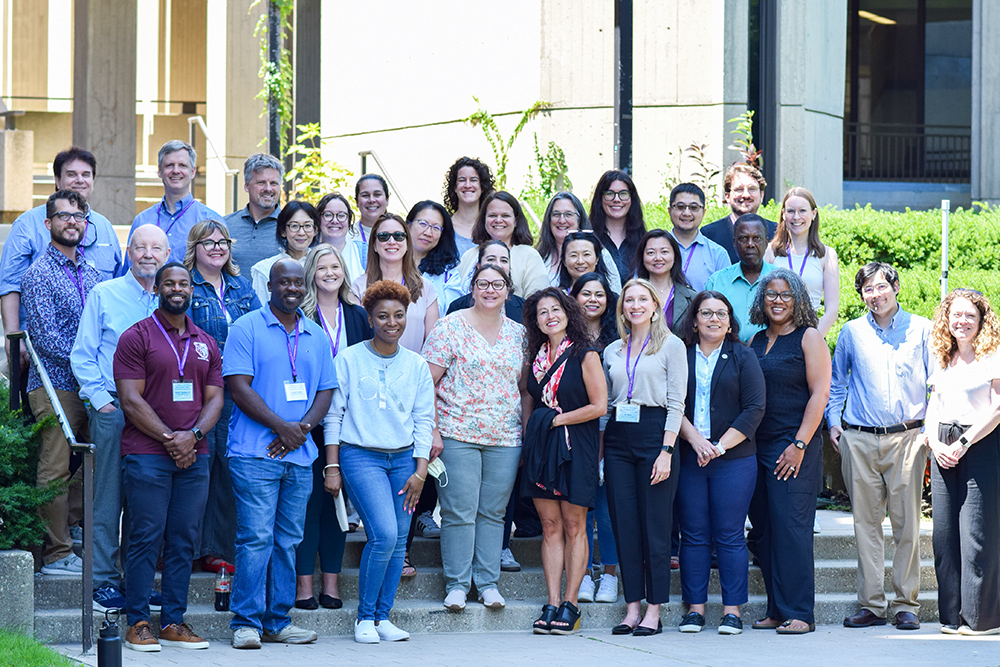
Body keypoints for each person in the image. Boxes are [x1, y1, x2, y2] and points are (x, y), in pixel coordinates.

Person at [222, 258, 336, 649]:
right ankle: (245, 623)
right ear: (269, 286)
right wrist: (280, 427)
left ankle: (277, 620)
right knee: (255, 537)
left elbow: (325, 390)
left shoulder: (316, 335)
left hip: (299, 456)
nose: (291, 288)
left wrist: (300, 429)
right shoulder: (246, 328)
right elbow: (238, 386)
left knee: (287, 539)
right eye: (283, 283)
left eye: (297, 283)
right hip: (255, 454)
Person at [114, 263, 224, 652]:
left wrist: (192, 437)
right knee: (145, 537)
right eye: (169, 283)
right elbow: (130, 399)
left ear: (191, 289)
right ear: (156, 289)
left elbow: (216, 399)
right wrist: (170, 438)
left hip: (195, 455)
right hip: (147, 453)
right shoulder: (136, 337)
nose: (177, 289)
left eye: (183, 283)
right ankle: (138, 621)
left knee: (183, 539)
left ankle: (174, 621)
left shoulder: (206, 342)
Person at [324, 280, 435, 643]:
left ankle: (384, 617)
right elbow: (334, 416)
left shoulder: (417, 365)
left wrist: (421, 471)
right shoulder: (350, 359)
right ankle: (364, 619)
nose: (392, 322)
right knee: (384, 534)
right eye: (383, 316)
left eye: (399, 315)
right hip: (361, 456)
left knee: (400, 539)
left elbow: (424, 420)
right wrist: (332, 465)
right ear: (370, 318)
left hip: (404, 459)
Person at [70, 224, 169, 611]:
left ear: (167, 252)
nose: (148, 254)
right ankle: (103, 584)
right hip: (113, 407)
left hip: (158, 414)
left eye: (156, 248)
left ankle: (138, 583)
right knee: (107, 497)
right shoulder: (105, 294)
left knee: (147, 502)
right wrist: (100, 401)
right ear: (128, 252)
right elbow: (83, 353)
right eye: (140, 247)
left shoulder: (173, 297)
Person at [827, 262, 930, 631]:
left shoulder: (922, 330)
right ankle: (871, 605)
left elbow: (937, 384)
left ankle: (906, 604)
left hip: (908, 438)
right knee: (865, 525)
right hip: (859, 438)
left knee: (907, 526)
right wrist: (834, 424)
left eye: (880, 287)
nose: (875, 295)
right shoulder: (852, 332)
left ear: (896, 287)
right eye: (867, 290)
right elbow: (837, 383)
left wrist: (929, 431)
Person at [422, 263, 527, 613]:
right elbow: (427, 384)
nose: (490, 290)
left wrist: (525, 430)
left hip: (505, 436)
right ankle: (456, 584)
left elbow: (524, 388)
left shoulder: (519, 334)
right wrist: (433, 429)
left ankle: (487, 583)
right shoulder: (450, 327)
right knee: (458, 511)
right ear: (472, 288)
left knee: (494, 513)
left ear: (508, 292)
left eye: (498, 284)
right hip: (457, 432)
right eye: (483, 283)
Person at [746, 268, 831, 635]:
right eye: (771, 294)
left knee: (792, 529)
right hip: (756, 449)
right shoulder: (755, 340)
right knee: (763, 531)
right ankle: (777, 609)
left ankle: (801, 612)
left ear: (797, 300)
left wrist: (799, 444)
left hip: (794, 446)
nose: (777, 301)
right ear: (761, 300)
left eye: (785, 295)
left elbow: (820, 395)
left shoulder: (809, 337)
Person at [675, 291, 765, 635]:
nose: (714, 319)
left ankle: (732, 611)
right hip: (690, 456)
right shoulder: (680, 356)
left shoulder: (744, 356)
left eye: (721, 314)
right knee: (694, 535)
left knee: (730, 535)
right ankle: (695, 610)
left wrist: (719, 446)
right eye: (707, 313)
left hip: (735, 460)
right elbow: (673, 404)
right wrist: (697, 441)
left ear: (730, 322)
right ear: (694, 320)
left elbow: (754, 408)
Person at [21, 190, 101, 576]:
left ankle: (70, 530)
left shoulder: (95, 274)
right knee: (54, 467)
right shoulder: (38, 274)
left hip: (94, 388)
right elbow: (47, 339)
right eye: (64, 215)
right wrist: (92, 358)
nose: (72, 221)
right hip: (55, 385)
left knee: (93, 463)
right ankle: (54, 554)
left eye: (78, 216)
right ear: (48, 223)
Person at [603, 278, 686, 636]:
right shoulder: (612, 351)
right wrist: (605, 451)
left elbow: (676, 403)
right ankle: (632, 607)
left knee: (654, 526)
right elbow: (608, 405)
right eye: (629, 300)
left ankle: (654, 609)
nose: (635, 305)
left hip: (655, 435)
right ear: (622, 308)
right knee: (625, 524)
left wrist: (666, 450)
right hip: (620, 438)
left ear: (655, 306)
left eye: (642, 299)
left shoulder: (672, 345)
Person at [2, 147, 121, 398]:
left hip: (100, 361)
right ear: (57, 180)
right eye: (72, 174)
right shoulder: (28, 224)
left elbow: (117, 287)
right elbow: (10, 286)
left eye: (86, 174)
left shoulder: (106, 228)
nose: (80, 180)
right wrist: (14, 340)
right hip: (41, 358)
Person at [521, 288, 606, 635]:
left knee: (574, 526)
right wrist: (533, 435)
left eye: (556, 309)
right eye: (543, 312)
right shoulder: (534, 356)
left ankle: (571, 604)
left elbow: (599, 406)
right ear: (536, 320)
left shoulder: (585, 354)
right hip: (542, 448)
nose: (550, 316)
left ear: (569, 313)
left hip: (576, 448)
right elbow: (529, 401)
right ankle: (552, 601)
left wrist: (556, 420)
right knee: (550, 527)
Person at [294, 244, 371, 611]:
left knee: (336, 505)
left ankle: (332, 585)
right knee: (308, 505)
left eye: (335, 266)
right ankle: (303, 586)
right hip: (307, 422)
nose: (329, 272)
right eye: (322, 266)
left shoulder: (357, 316)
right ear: (311, 272)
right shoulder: (299, 315)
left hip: (349, 424)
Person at [183, 220, 262, 574]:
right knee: (198, 469)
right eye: (209, 242)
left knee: (227, 472)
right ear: (194, 247)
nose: (217, 248)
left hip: (239, 392)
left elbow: (260, 329)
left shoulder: (242, 286)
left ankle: (217, 550)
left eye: (223, 242)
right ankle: (189, 548)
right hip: (198, 391)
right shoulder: (186, 286)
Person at [924, 289, 1000, 636]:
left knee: (976, 533)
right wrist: (935, 442)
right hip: (943, 445)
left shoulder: (992, 355)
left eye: (970, 315)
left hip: (980, 443)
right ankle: (950, 617)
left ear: (981, 319)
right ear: (947, 318)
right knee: (943, 534)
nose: (962, 321)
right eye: (956, 315)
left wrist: (964, 442)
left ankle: (980, 620)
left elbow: (997, 409)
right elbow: (933, 405)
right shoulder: (943, 355)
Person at [570, 273, 621, 604]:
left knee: (609, 508)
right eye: (585, 293)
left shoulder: (620, 339)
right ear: (573, 298)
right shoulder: (565, 338)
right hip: (578, 432)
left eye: (599, 294)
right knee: (582, 508)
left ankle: (611, 575)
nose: (592, 299)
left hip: (616, 432)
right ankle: (584, 573)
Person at [352, 213, 438, 353]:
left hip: (413, 371)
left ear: (407, 243)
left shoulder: (425, 287)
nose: (391, 241)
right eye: (383, 236)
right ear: (374, 244)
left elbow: (433, 345)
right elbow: (356, 340)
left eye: (398, 236)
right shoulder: (357, 287)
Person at [126, 140, 220, 266]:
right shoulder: (142, 221)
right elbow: (129, 270)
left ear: (193, 172)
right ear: (159, 171)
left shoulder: (211, 221)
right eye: (169, 165)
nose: (176, 171)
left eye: (182, 165)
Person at [763, 187, 840, 336]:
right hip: (775, 336)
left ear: (813, 214)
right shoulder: (770, 251)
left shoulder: (827, 255)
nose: (796, 217)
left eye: (802, 211)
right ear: (783, 215)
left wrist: (812, 340)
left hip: (811, 334)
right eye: (791, 211)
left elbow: (832, 311)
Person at [455, 191, 549, 299]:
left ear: (516, 221)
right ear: (484, 219)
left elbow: (538, 302)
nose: (498, 220)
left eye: (505, 215)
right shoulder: (469, 255)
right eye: (492, 215)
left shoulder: (529, 256)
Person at [705, 215, 775, 342]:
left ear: (766, 243)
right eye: (743, 238)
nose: (750, 244)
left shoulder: (781, 280)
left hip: (771, 356)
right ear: (734, 243)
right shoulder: (716, 282)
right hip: (728, 356)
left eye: (757, 238)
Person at [535, 192, 622, 292]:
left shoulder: (602, 255)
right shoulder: (538, 257)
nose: (562, 220)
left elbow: (616, 296)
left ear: (579, 219)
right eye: (556, 214)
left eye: (568, 214)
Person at [701, 163, 777, 263]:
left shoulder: (776, 233)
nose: (746, 195)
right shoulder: (709, 235)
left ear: (761, 195)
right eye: (739, 189)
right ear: (727, 196)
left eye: (752, 189)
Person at [251, 200, 319, 304]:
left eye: (307, 226)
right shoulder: (265, 270)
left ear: (315, 230)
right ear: (283, 231)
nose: (301, 232)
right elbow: (261, 311)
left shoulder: (322, 265)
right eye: (294, 226)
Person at [224, 153, 283, 272]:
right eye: (261, 182)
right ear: (246, 186)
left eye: (273, 183)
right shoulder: (225, 225)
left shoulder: (291, 227)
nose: (268, 189)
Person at [666, 183, 730, 291]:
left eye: (693, 208)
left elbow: (726, 297)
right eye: (680, 207)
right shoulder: (653, 250)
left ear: (703, 212)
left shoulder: (718, 255)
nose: (686, 213)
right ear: (670, 211)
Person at [634, 229, 697, 335]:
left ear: (675, 256)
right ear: (642, 258)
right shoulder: (630, 295)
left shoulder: (691, 298)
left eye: (664, 252)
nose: (658, 258)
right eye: (651, 253)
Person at [406, 200, 463, 313]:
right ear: (408, 225)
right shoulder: (391, 261)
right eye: (423, 224)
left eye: (436, 228)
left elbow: (453, 313)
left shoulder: (449, 273)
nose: (428, 232)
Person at [447, 240, 526, 323]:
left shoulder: (524, 308)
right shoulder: (458, 307)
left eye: (504, 260)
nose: (498, 265)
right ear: (478, 265)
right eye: (491, 259)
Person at [588, 170, 647, 280]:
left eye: (623, 194)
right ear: (600, 199)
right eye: (609, 194)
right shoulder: (588, 240)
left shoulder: (645, 241)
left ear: (631, 199)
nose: (616, 199)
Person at [442, 156, 495, 255]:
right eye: (462, 180)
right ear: (454, 187)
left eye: (473, 180)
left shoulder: (492, 226)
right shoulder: (443, 226)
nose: (467, 185)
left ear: (482, 186)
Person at [316, 192, 366, 283]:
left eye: (341, 215)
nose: (335, 221)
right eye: (328, 215)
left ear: (349, 220)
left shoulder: (363, 252)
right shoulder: (309, 253)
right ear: (318, 219)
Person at [354, 174, 390, 248]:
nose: (371, 200)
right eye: (365, 195)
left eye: (377, 194)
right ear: (356, 202)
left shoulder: (399, 235)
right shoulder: (347, 236)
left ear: (387, 199)